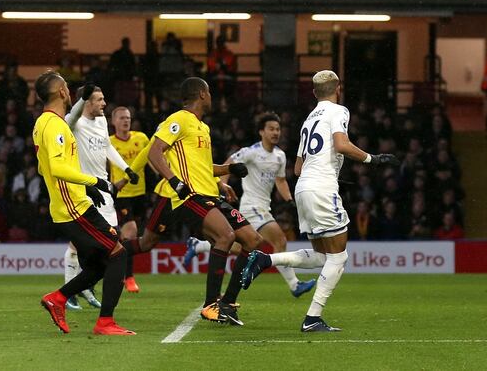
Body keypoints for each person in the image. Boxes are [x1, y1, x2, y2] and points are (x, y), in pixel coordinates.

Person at [241, 70, 400, 332]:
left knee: (321, 256)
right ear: (338, 88)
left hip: (304, 187)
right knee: (338, 257)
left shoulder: (308, 119)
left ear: (314, 93)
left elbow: (298, 168)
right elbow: (341, 144)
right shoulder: (339, 111)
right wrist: (374, 159)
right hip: (322, 188)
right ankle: (312, 317)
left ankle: (265, 260)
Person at [147, 77, 256, 326]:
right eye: (210, 92)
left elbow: (205, 167)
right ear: (202, 94)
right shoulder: (178, 119)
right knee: (226, 236)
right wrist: (174, 181)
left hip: (211, 193)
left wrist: (228, 171)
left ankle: (227, 302)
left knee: (252, 239)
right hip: (190, 196)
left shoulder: (202, 128)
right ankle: (210, 305)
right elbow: (155, 151)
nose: (212, 96)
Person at [32, 71, 133, 335]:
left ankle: (58, 298)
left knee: (100, 264)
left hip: (74, 201)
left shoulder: (45, 123)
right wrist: (93, 182)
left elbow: (45, 170)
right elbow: (55, 168)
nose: (68, 90)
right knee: (118, 253)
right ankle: (105, 323)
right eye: (65, 86)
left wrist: (85, 188)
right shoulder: (54, 125)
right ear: (62, 92)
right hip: (72, 207)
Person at [183, 112, 317, 298]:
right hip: (252, 207)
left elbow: (280, 181)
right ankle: (295, 285)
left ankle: (199, 246)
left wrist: (289, 200)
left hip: (263, 207)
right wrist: (223, 185)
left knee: (238, 247)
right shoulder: (252, 152)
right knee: (280, 240)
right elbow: (228, 164)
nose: (275, 132)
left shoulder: (280, 156)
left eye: (278, 129)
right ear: (261, 132)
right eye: (271, 129)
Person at [63, 84, 139, 310]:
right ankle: (69, 292)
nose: (104, 103)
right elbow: (72, 114)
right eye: (99, 99)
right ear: (87, 102)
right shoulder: (74, 122)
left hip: (104, 189)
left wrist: (126, 169)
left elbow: (107, 147)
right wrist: (81, 97)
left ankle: (84, 286)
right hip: (83, 188)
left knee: (110, 243)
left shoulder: (102, 121)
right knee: (78, 244)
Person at [109, 106, 150, 292]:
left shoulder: (141, 138)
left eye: (128, 118)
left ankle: (116, 269)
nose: (126, 121)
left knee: (129, 236)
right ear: (113, 122)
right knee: (130, 233)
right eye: (122, 118)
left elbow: (153, 160)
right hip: (122, 195)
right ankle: (129, 278)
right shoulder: (109, 143)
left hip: (140, 194)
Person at [206, 35, 237, 102]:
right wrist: (219, 66)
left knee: (229, 99)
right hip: (215, 80)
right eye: (218, 42)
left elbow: (230, 66)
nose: (220, 44)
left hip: (227, 80)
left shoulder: (229, 54)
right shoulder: (213, 54)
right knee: (215, 99)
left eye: (221, 42)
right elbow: (211, 65)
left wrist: (222, 66)